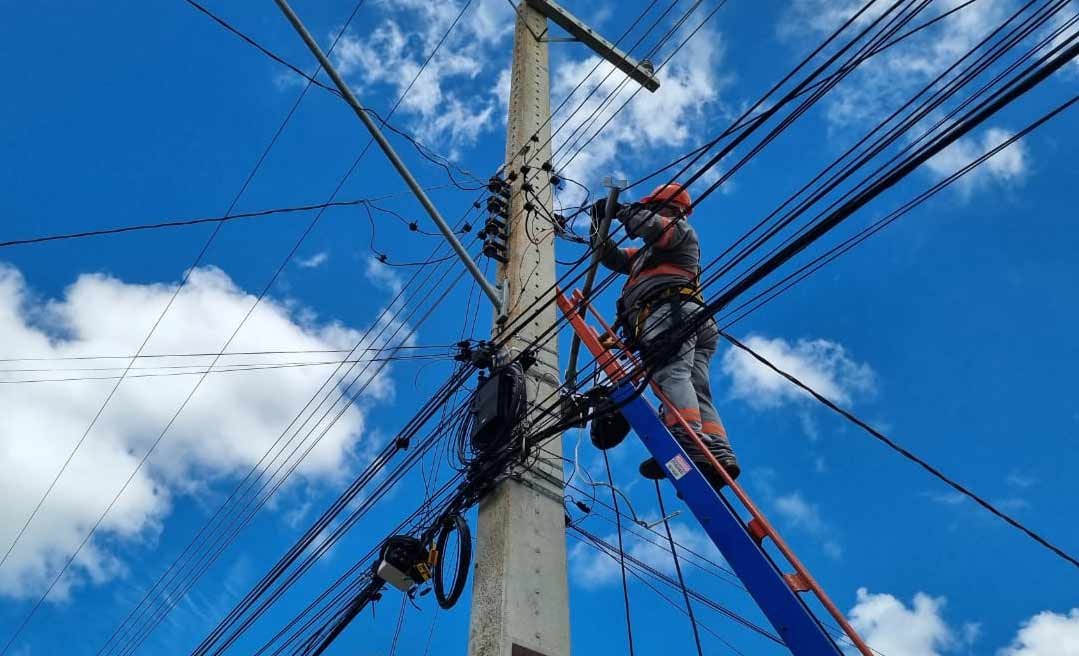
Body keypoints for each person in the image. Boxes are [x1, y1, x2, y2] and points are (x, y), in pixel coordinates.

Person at [594, 183, 740, 488]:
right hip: (689, 317)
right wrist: (599, 225)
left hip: (669, 312)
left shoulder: (679, 231)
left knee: (672, 373)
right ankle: (717, 452)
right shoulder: (647, 254)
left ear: (668, 208)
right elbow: (611, 257)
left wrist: (621, 211)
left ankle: (685, 439)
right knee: (696, 386)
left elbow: (652, 226)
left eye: (652, 207)